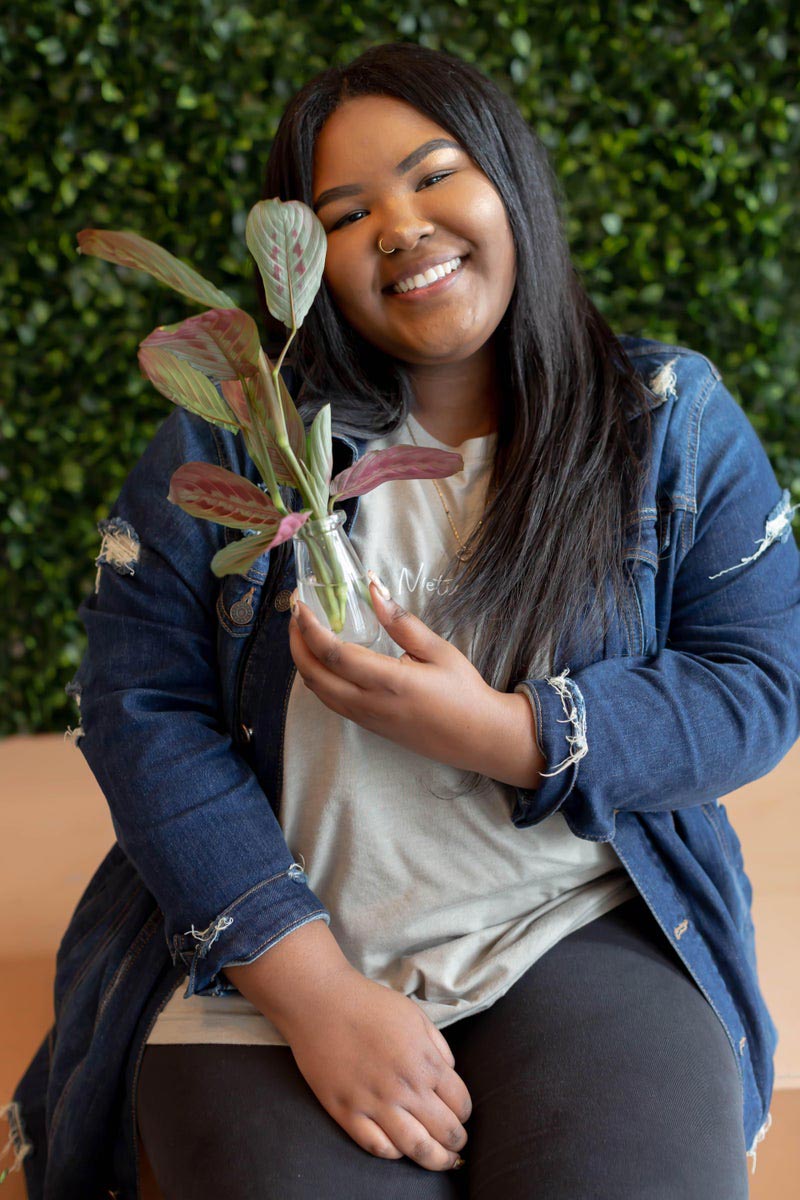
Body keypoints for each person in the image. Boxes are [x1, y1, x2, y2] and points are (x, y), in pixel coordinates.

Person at [8, 40, 799, 1200]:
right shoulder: (224, 447)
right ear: (303, 263)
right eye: (344, 211)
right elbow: (140, 714)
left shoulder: (663, 421)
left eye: (435, 175)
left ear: (508, 181)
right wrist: (316, 993)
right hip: (268, 957)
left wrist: (502, 731)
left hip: (571, 923)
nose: (399, 223)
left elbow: (757, 686)